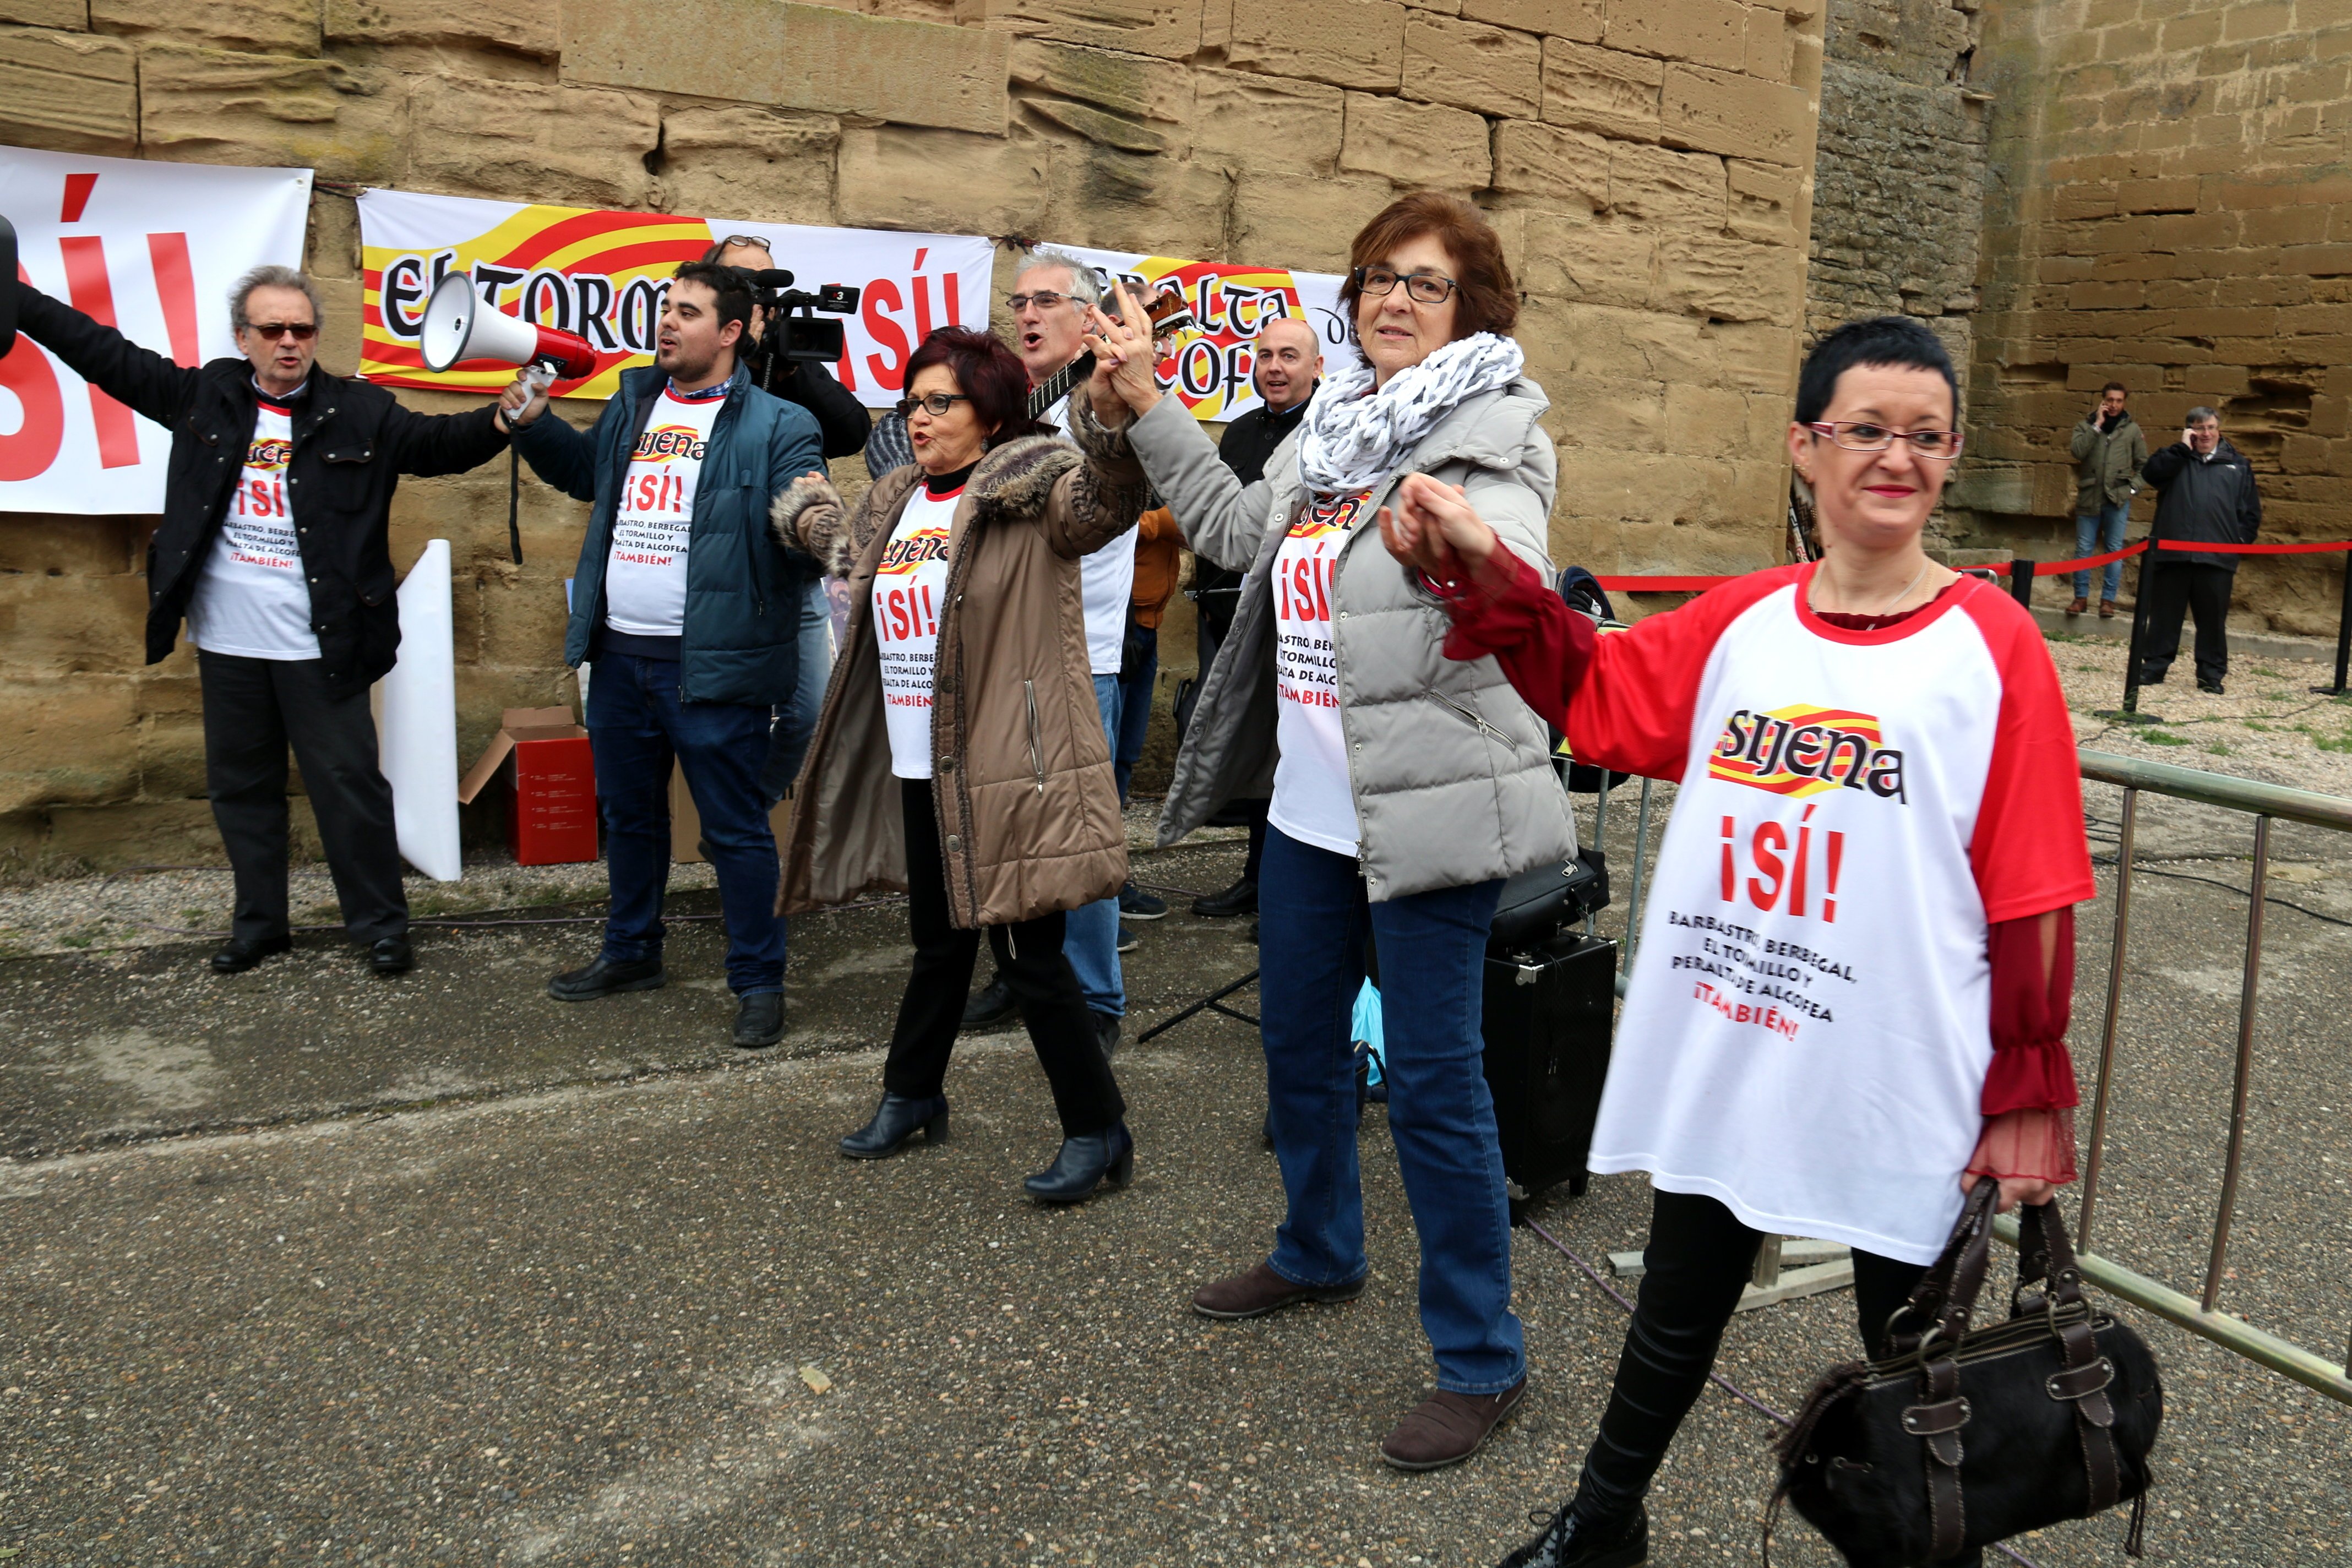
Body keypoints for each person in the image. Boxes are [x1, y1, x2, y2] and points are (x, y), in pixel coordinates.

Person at [1380, 314, 2091, 1568]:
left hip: (1895, 1061)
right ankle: (1603, 1521)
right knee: (1677, 1293)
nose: (1896, 455)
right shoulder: (1743, 622)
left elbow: (2031, 880)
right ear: (1804, 447)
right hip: (1738, 1028)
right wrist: (1483, 562)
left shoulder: (1993, 645)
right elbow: (1593, 687)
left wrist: (2025, 1085)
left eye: (1925, 434)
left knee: (1908, 1347)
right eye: (1866, 428)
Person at [1085, 190, 1577, 1471]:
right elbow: (1242, 533)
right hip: (1307, 810)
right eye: (1377, 277)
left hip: (1423, 807)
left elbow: (1513, 557)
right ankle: (1318, 1246)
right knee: (1300, 1048)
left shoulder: (1495, 426)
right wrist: (1145, 399)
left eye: (1427, 281)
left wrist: (1461, 548)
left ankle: (1481, 1355)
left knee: (1431, 1082)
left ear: (1471, 306)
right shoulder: (1329, 426)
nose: (1395, 298)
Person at [9, 264, 511, 977]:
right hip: (228, 644)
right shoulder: (202, 396)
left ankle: (379, 927)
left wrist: (502, 418)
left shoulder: (359, 410)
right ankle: (261, 925)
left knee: (350, 789)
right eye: (271, 329)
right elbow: (104, 355)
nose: (287, 342)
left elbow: (437, 446)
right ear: (242, 336)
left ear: (315, 338)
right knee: (242, 790)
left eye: (301, 329)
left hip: (324, 644)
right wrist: (19, 300)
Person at [770, 326, 1146, 1202]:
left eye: (942, 401)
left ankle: (1100, 1131)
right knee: (938, 944)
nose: (920, 417)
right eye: (912, 402)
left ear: (992, 413)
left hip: (1007, 764)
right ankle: (912, 1095)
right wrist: (810, 515)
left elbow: (1110, 500)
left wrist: (1114, 421)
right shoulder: (899, 497)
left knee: (1031, 960)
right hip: (917, 760)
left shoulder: (1035, 494)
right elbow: (856, 562)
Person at [498, 260, 823, 1049]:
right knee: (630, 818)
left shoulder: (781, 424)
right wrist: (537, 424)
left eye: (687, 311)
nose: (667, 323)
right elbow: (587, 480)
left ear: (734, 332)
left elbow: (804, 518)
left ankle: (757, 980)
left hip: (712, 668)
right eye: (664, 308)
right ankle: (632, 952)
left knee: (737, 829)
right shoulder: (634, 400)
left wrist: (818, 527)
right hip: (618, 658)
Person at [952, 249, 1135, 1052]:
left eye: (1046, 301)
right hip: (1001, 652)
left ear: (1087, 317)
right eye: (1018, 301)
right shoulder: (1014, 410)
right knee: (1011, 826)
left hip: (1076, 651)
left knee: (1078, 834)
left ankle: (1096, 995)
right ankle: (1024, 974)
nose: (1025, 315)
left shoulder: (1105, 401)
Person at [702, 236, 861, 803]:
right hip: (719, 576)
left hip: (792, 574)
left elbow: (851, 432)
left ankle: (748, 811)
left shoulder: (787, 354)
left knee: (809, 711)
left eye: (766, 284)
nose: (758, 297)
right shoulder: (696, 362)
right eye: (744, 283)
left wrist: (793, 370)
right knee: (721, 720)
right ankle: (731, 825)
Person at [1188, 314, 1321, 921]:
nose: (1274, 366)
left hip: (1297, 626)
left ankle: (1286, 897)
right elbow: (1221, 524)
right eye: (1265, 354)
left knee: (1294, 757)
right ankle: (1257, 878)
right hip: (1228, 615)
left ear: (1317, 367)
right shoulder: (1239, 433)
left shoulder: (1331, 435)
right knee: (1252, 759)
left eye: (1289, 355)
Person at [2138, 405, 2259, 696]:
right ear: (2189, 430)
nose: (2205, 434)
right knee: (2165, 617)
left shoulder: (2238, 466)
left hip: (2217, 559)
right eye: (2199, 428)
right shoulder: (2174, 459)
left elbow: (2251, 513)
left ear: (2218, 431)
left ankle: (2210, 675)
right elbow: (2150, 475)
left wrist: (2237, 544)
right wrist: (2181, 450)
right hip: (2173, 554)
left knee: (2212, 622)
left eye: (2210, 428)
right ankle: (2154, 668)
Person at [1113, 502, 1183, 923]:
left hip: (1145, 626)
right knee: (1103, 761)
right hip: (1117, 627)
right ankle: (1096, 897)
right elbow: (1120, 525)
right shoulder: (1102, 450)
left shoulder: (1158, 462)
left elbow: (1195, 522)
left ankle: (1111, 882)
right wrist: (1162, 522)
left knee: (1123, 757)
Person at [2067, 381, 2146, 617]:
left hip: (2118, 500)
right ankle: (2080, 598)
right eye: (2110, 400)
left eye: (2118, 401)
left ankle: (2107, 602)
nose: (2113, 405)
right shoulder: (2085, 426)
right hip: (2089, 497)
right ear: (2102, 401)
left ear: (2124, 402)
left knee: (2114, 551)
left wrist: (2132, 490)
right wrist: (2097, 426)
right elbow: (2077, 452)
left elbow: (2143, 465)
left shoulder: (2132, 431)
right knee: (2083, 549)